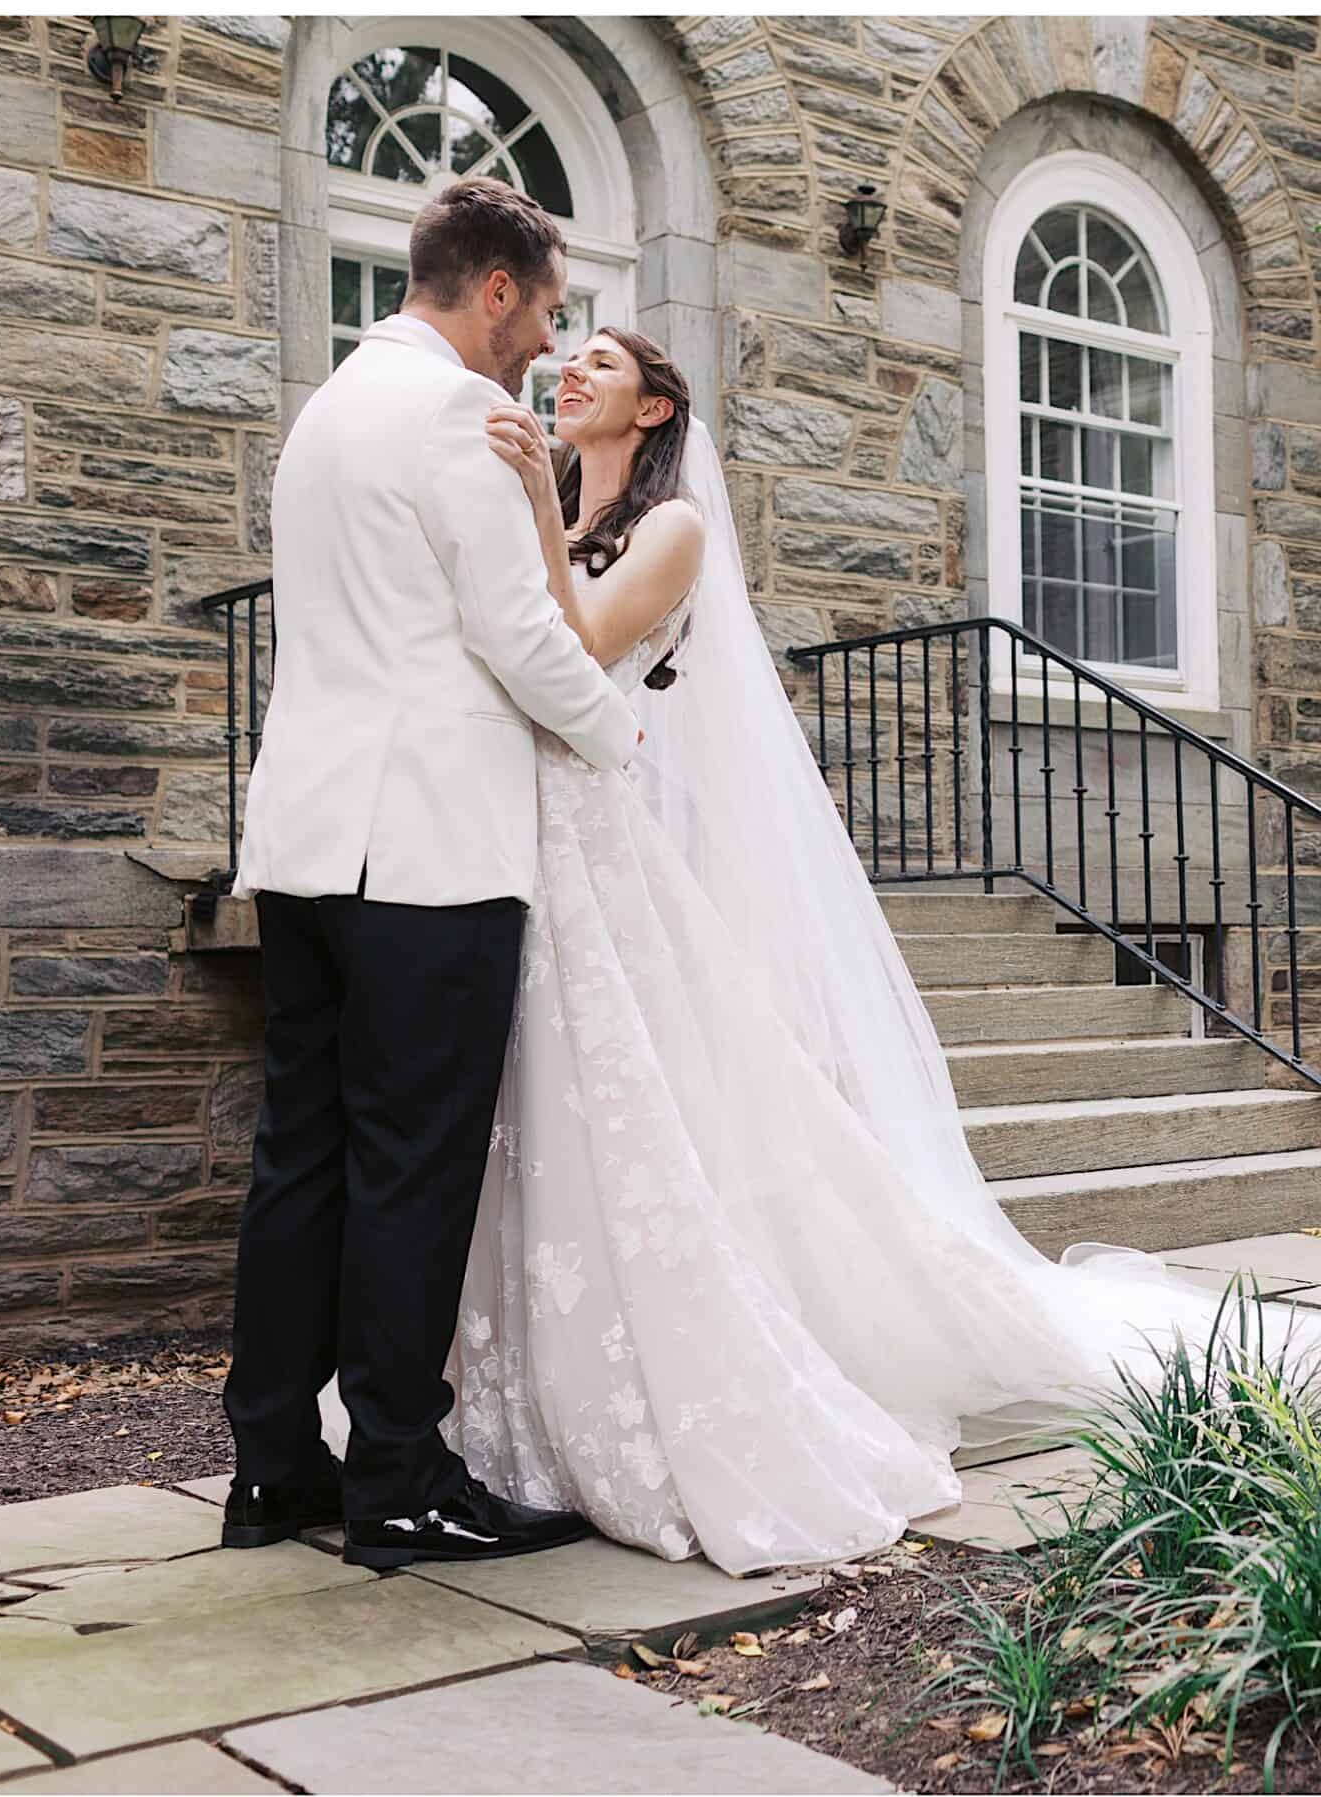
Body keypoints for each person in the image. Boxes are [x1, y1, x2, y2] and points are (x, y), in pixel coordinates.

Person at [434, 322, 1235, 1573]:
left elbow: (584, 641)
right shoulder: (550, 499)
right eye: (567, 352)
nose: (574, 370)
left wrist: (538, 496)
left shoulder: (673, 530)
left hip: (594, 839)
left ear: (653, 413)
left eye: (607, 361)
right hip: (523, 835)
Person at [217, 174, 632, 1568]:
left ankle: (276, 1465)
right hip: (426, 852)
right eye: (548, 312)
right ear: (498, 287)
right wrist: (622, 738)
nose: (547, 347)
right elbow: (520, 635)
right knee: (413, 1166)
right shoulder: (459, 412)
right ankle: (397, 1473)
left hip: (307, 843)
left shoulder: (327, 413)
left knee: (304, 1156)